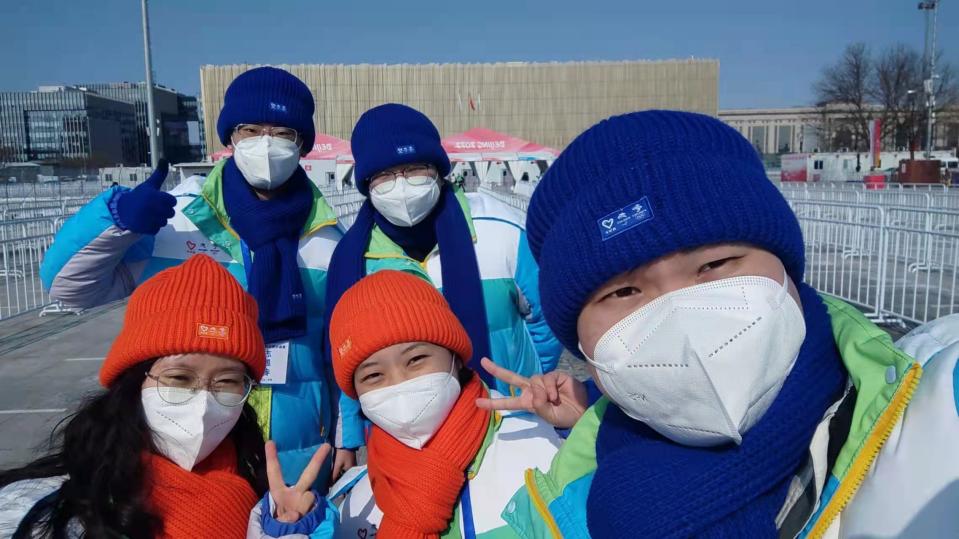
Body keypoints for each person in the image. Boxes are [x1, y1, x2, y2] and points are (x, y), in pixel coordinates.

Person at [479, 110, 959, 537]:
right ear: (582, 344)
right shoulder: (558, 509)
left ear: (785, 269)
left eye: (714, 265)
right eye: (623, 292)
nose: (683, 319)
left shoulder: (936, 411)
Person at [39, 67, 358, 488]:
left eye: (283, 133)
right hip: (185, 428)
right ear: (230, 138)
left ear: (302, 145)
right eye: (251, 130)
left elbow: (340, 346)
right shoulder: (176, 216)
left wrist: (347, 436)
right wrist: (114, 221)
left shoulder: (327, 236)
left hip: (296, 439)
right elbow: (69, 287)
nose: (266, 143)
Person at [0, 255, 337, 538]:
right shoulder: (50, 511)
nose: (203, 402)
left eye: (227, 381)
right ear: (134, 381)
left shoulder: (257, 495)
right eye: (179, 378)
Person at [325, 103, 562, 401]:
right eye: (384, 175)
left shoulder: (500, 227)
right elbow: (349, 356)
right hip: (406, 421)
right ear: (367, 184)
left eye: (414, 169)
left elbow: (547, 315)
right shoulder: (354, 259)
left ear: (438, 171)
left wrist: (528, 381)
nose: (402, 185)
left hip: (508, 410)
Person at [314, 269, 560, 538]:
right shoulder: (357, 502)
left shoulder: (540, 447)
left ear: (454, 356)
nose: (399, 384)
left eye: (416, 359)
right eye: (373, 375)